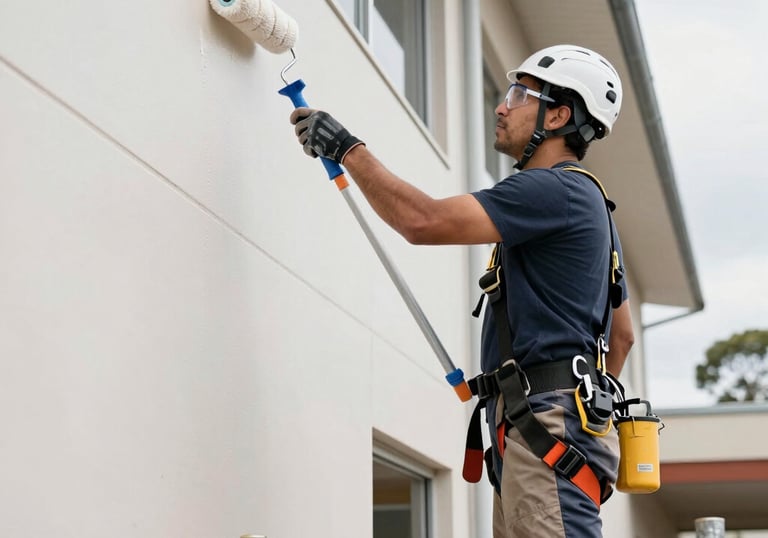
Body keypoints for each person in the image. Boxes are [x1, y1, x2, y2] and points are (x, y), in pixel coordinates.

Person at [289, 44, 635, 538]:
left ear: (559, 114)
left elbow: (421, 221)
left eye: (520, 95)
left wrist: (346, 148)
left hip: (544, 429)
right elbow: (621, 338)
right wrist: (579, 405)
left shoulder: (553, 191)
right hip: (541, 426)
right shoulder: (590, 204)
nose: (501, 105)